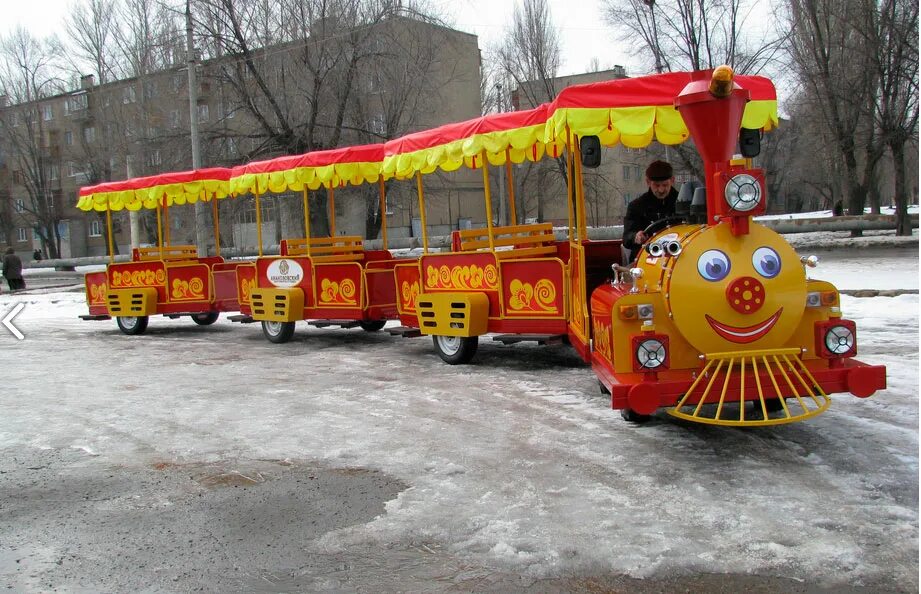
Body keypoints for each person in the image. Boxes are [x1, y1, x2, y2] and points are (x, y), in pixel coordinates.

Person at [623, 160, 679, 262]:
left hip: (679, 257)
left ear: (672, 180)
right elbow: (627, 238)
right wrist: (636, 236)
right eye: (657, 185)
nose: (661, 190)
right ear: (648, 182)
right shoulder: (636, 206)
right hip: (645, 259)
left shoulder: (684, 203)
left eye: (665, 185)